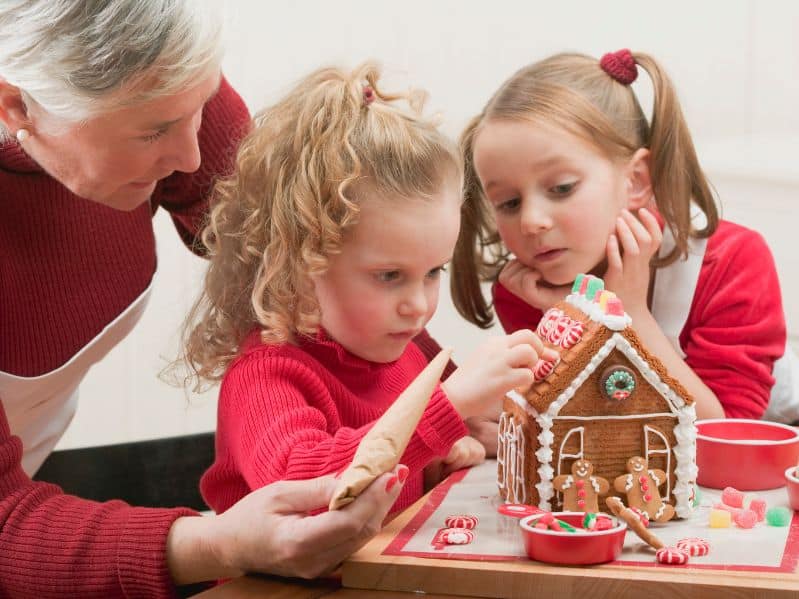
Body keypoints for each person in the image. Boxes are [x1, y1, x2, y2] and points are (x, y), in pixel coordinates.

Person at [0, 1, 406, 595]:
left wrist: (436, 388)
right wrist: (218, 542)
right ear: (17, 106)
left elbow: (309, 259)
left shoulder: (165, 87)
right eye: (154, 132)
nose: (189, 157)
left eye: (199, 107)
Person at [179, 62, 552, 516]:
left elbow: (404, 469)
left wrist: (438, 460)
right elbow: (306, 494)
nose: (419, 307)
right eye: (390, 276)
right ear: (300, 263)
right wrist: (446, 409)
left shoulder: (409, 355)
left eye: (433, 271)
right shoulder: (266, 375)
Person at [451, 49, 792, 422]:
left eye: (561, 188)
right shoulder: (527, 291)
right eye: (509, 203)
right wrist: (574, 317)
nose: (531, 222)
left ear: (635, 180)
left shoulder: (732, 262)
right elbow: (578, 422)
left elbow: (719, 437)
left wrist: (628, 314)